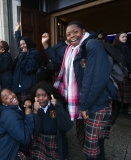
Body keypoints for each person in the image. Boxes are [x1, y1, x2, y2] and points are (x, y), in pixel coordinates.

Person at [42, 21, 117, 160]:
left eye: (75, 32)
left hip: (96, 102)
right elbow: (58, 59)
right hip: (84, 102)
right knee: (91, 140)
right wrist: (46, 44)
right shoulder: (70, 50)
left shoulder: (91, 45)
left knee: (91, 147)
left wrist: (85, 106)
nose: (71, 36)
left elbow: (95, 79)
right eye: (68, 34)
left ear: (83, 31)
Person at [0, 88, 34, 160]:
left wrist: (26, 101)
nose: (11, 96)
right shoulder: (8, 115)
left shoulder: (13, 107)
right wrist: (28, 114)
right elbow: (25, 139)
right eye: (6, 98)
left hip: (11, 147)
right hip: (7, 154)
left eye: (10, 92)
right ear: (3, 103)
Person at [12, 22, 41, 104]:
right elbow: (19, 43)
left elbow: (28, 68)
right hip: (19, 85)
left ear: (28, 43)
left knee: (28, 107)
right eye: (21, 45)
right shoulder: (23, 52)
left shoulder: (34, 53)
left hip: (26, 86)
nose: (22, 46)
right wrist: (17, 31)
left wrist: (23, 55)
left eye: (24, 44)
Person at [113, 32, 131, 115]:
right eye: (123, 37)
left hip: (116, 72)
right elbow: (128, 60)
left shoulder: (113, 47)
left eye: (126, 37)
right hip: (124, 72)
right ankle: (123, 110)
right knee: (125, 92)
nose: (125, 38)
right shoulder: (125, 47)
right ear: (118, 38)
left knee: (118, 91)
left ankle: (118, 109)